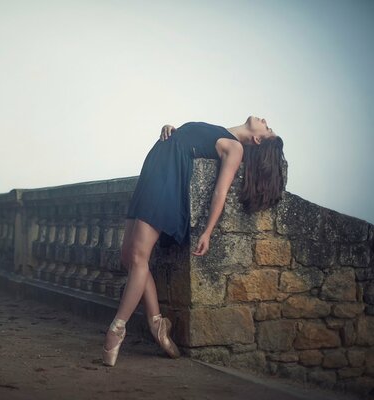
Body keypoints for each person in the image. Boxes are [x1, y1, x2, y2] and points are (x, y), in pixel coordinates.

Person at [102, 116, 286, 366]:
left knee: (138, 257)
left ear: (257, 139)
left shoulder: (236, 147)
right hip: (155, 170)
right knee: (128, 256)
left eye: (268, 127)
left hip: (167, 180)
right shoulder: (221, 131)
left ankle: (117, 328)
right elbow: (192, 142)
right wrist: (173, 131)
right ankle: (157, 324)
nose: (265, 120)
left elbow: (220, 191)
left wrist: (208, 231)